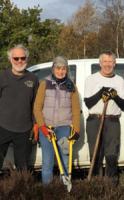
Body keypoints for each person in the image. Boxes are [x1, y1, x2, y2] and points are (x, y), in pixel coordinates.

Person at [0, 44, 39, 177]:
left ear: (27, 58)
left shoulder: (33, 79)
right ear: (10, 59)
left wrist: (35, 124)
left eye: (23, 58)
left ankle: (19, 193)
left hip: (25, 130)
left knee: (23, 168)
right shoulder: (1, 77)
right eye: (16, 58)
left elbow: (36, 105)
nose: (20, 61)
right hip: (2, 128)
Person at [33, 56, 80, 184]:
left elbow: (76, 110)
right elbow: (37, 108)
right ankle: (48, 193)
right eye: (58, 68)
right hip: (48, 130)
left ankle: (64, 191)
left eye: (63, 68)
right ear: (53, 69)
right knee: (47, 162)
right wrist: (43, 127)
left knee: (65, 161)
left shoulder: (72, 87)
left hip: (65, 129)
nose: (61, 71)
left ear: (67, 70)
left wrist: (76, 131)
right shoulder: (44, 84)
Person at [83, 50, 124, 186]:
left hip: (112, 120)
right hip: (94, 119)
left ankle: (111, 186)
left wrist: (114, 96)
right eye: (105, 62)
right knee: (95, 153)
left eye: (110, 62)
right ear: (100, 63)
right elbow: (88, 103)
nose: (107, 65)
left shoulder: (119, 80)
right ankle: (96, 185)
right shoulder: (91, 79)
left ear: (114, 63)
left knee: (111, 154)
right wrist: (101, 92)